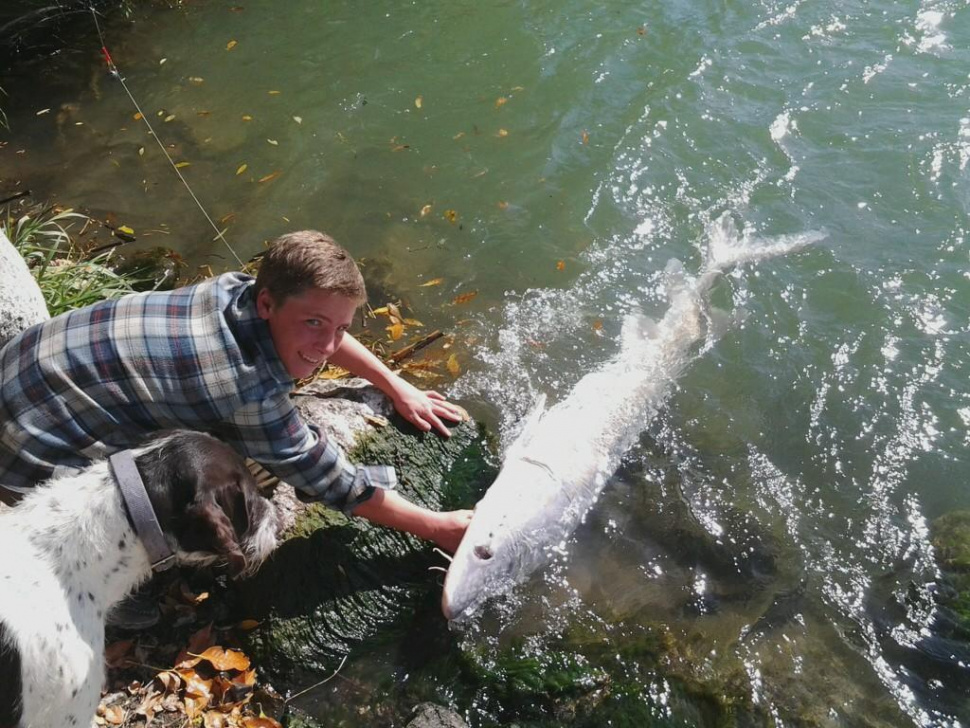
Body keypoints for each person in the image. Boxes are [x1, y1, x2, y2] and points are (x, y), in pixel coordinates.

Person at [0, 230, 473, 554]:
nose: (328, 346)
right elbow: (327, 478)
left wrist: (395, 384)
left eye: (340, 328)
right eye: (313, 324)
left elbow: (324, 325)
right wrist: (437, 527)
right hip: (28, 453)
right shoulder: (243, 384)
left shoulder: (235, 290)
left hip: (22, 374)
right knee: (164, 522)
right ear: (268, 302)